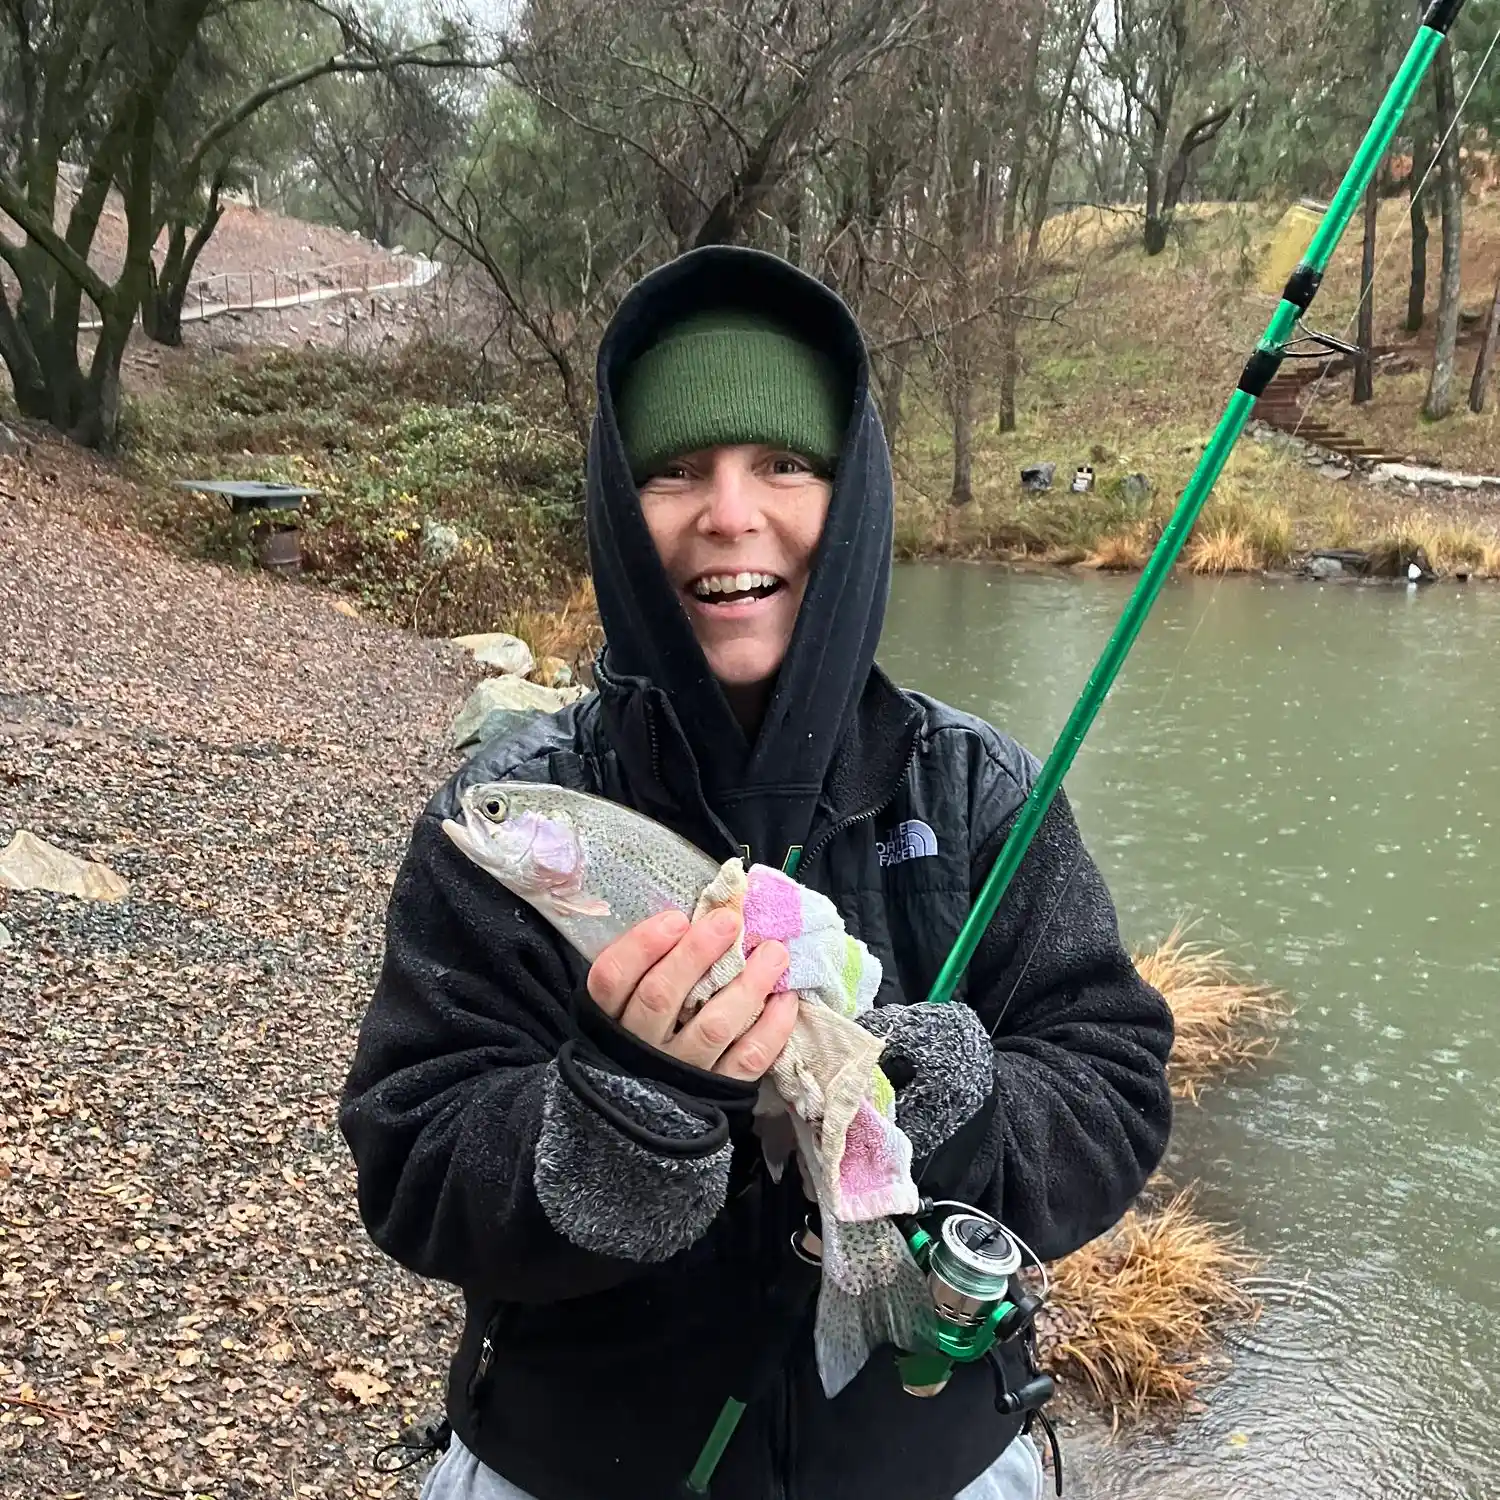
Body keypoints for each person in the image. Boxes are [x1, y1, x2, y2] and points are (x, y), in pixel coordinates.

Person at [339, 245, 1175, 1500]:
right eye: (674, 472)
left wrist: (949, 1113)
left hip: (932, 1463)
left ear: (855, 504)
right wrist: (616, 1112)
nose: (730, 512)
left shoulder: (981, 790)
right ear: (622, 518)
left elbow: (1114, 1078)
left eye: (784, 464)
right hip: (567, 1463)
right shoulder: (498, 817)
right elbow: (412, 1163)